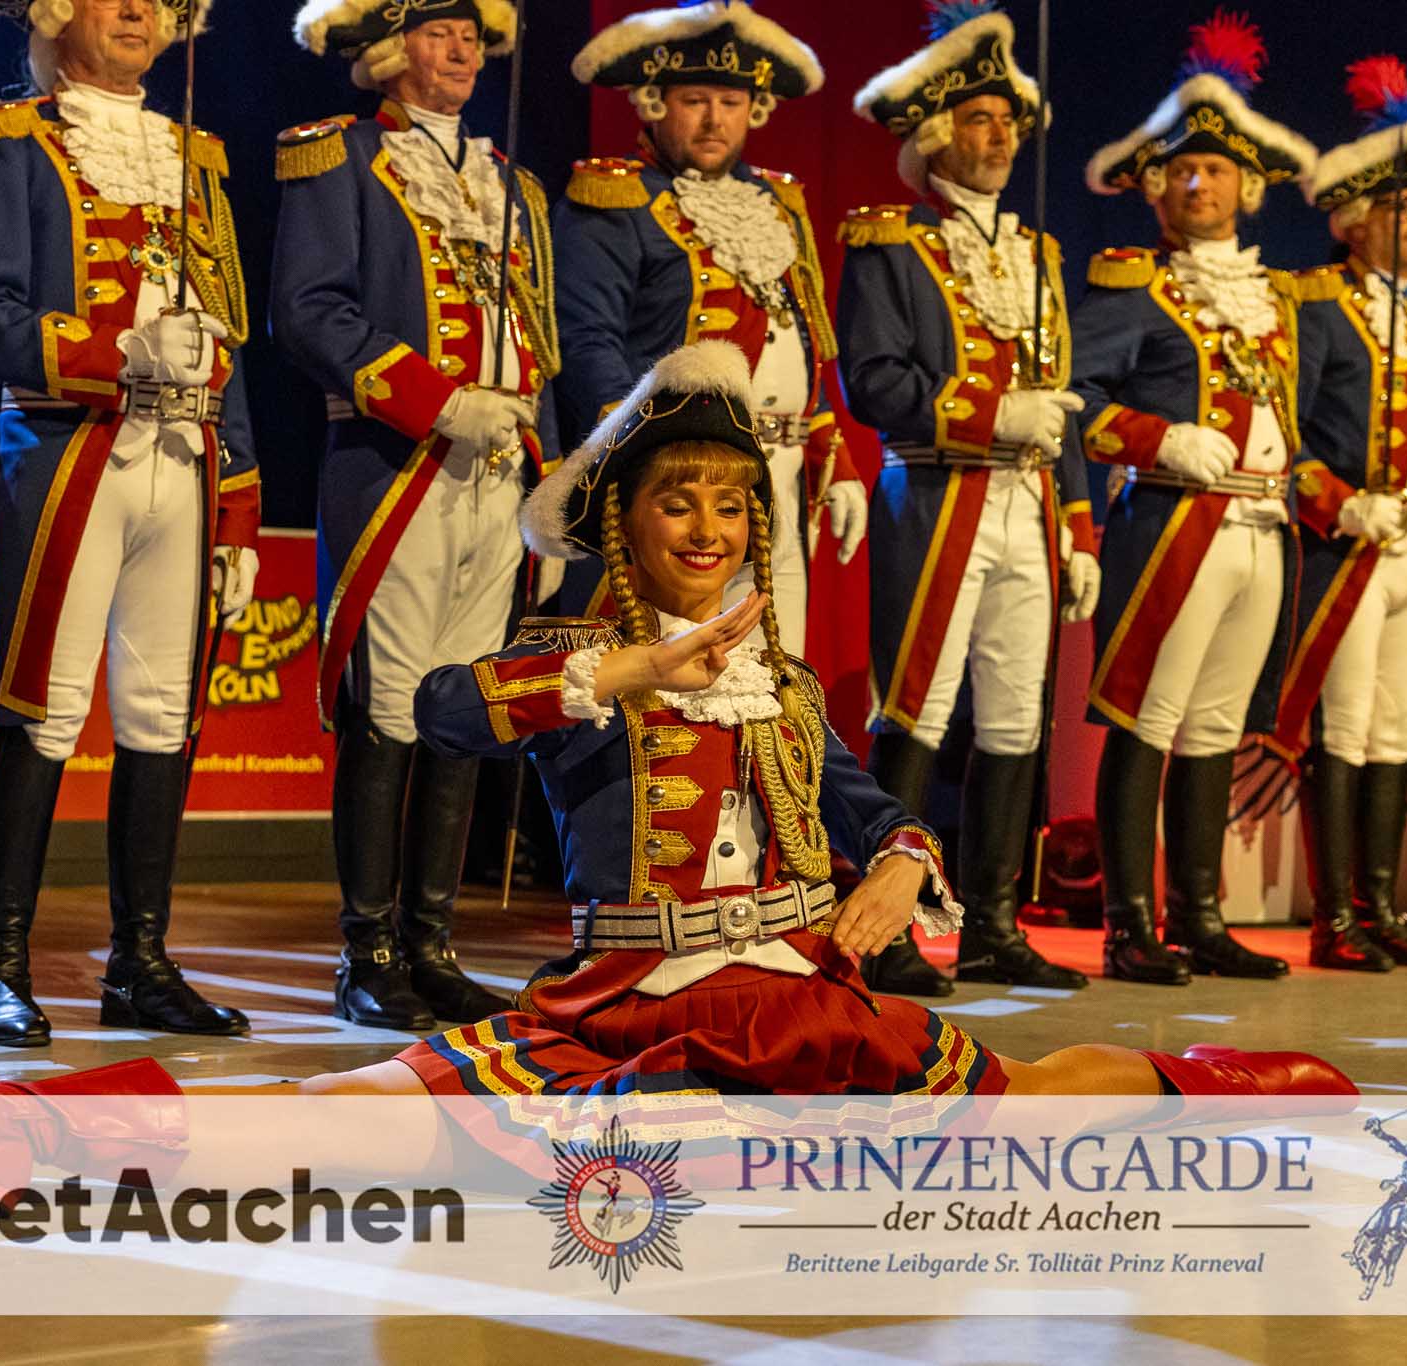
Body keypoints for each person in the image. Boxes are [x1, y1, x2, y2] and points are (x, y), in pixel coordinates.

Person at [0, 343, 1357, 1123]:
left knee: (1015, 1102)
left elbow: (864, 803)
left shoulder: (784, 680)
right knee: (364, 1115)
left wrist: (902, 858)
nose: (707, 526)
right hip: (631, 994)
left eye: (729, 505)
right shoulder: (574, 657)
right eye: (675, 501)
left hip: (803, 990)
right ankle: (28, 1124)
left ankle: (1240, 1085)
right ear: (624, 525)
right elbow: (442, 710)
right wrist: (618, 672)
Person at [0, 0, 261, 1045]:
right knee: (43, 708)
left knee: (162, 715)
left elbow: (228, 338)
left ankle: (141, 964)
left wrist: (240, 503)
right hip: (69, 442)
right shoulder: (8, 140)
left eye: (157, 1)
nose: (137, 12)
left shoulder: (192, 155)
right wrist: (110, 352)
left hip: (188, 456)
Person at [280, 0, 554, 1030]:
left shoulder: (509, 181)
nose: (464, 50)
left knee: (462, 703)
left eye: (473, 34)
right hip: (398, 463)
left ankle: (433, 945)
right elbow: (310, 310)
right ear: (393, 49)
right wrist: (435, 401)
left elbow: (542, 338)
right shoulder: (340, 157)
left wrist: (556, 478)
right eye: (442, 32)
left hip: (501, 471)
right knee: (388, 704)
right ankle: (369, 951)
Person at [838, 0, 1099, 996]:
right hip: (937, 493)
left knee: (1015, 720)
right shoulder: (890, 243)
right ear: (936, 133)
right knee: (915, 710)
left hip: (1027, 505)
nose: (999, 139)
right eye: (980, 120)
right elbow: (874, 382)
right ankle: (885, 928)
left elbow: (1061, 402)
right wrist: (993, 414)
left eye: (1007, 121)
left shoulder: (1039, 254)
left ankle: (992, 922)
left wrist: (1077, 523)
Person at [1072, 10, 1316, 986]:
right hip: (1175, 520)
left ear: (1246, 188)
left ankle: (1200, 915)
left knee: (1216, 726)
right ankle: (1128, 924)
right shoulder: (1133, 287)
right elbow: (1076, 401)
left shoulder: (1275, 299)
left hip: (1260, 524)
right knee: (1147, 716)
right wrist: (1157, 436)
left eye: (1213, 170)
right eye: (1179, 170)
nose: (1195, 184)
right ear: (1154, 188)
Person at [554, 0, 864, 650]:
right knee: (669, 665)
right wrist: (635, 453)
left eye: (731, 101)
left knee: (777, 665)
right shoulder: (617, 197)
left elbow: (798, 340)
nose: (715, 119)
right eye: (695, 100)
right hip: (680, 479)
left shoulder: (778, 203)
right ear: (654, 103)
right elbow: (588, 342)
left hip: (780, 479)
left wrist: (832, 459)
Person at [1274, 56, 1407, 972]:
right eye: (1404, 208)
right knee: (1348, 726)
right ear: (1355, 219)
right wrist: (1339, 502)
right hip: (1353, 547)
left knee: (1401, 730)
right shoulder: (1317, 306)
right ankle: (1334, 919)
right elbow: (1286, 433)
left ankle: (1383, 907)